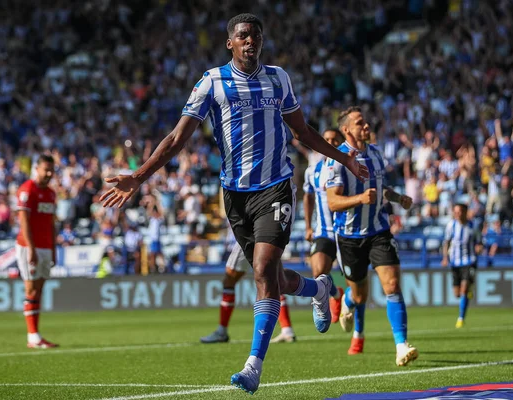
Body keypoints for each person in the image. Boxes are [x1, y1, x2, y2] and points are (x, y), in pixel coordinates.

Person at [100, 14, 368, 394]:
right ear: (230, 43)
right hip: (234, 196)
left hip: (275, 186)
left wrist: (344, 159)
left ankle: (253, 366)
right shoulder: (211, 82)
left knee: (261, 269)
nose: (250, 41)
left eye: (256, 36)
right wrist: (138, 177)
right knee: (271, 279)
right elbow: (178, 138)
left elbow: (303, 131)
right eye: (243, 36)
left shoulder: (279, 78)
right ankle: (319, 290)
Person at [325, 106, 418, 366]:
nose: (366, 126)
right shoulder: (336, 159)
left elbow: (379, 189)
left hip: (379, 231)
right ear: (346, 130)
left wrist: (397, 197)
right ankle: (347, 301)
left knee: (392, 286)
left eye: (365, 122)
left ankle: (401, 345)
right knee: (360, 296)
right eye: (359, 123)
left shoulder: (376, 154)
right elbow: (332, 202)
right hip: (349, 237)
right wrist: (360, 199)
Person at [199, 242, 297, 344]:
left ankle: (222, 331)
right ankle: (287, 329)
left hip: (249, 235)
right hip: (267, 235)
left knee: (230, 279)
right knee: (272, 278)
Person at [15, 154, 59, 349]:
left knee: (39, 290)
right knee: (31, 289)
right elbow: (23, 221)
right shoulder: (27, 190)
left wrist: (53, 248)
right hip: (28, 247)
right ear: (37, 169)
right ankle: (32, 336)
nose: (49, 173)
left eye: (51, 170)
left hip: (45, 247)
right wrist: (31, 248)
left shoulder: (51, 193)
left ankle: (36, 335)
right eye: (46, 169)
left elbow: (51, 223)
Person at [302, 128, 345, 322]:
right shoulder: (313, 171)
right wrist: (308, 226)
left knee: (358, 286)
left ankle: (357, 329)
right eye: (326, 139)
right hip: (324, 231)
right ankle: (335, 295)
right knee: (319, 272)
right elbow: (308, 197)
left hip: (347, 231)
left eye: (335, 140)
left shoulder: (349, 167)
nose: (330, 143)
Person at [441, 204, 482, 328]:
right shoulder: (451, 226)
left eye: (459, 211)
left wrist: (479, 248)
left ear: (465, 212)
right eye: (455, 211)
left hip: (469, 261)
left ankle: (461, 318)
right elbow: (446, 242)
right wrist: (445, 258)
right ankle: (469, 289)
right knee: (457, 294)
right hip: (454, 262)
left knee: (464, 290)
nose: (457, 214)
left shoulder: (473, 226)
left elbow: (479, 242)